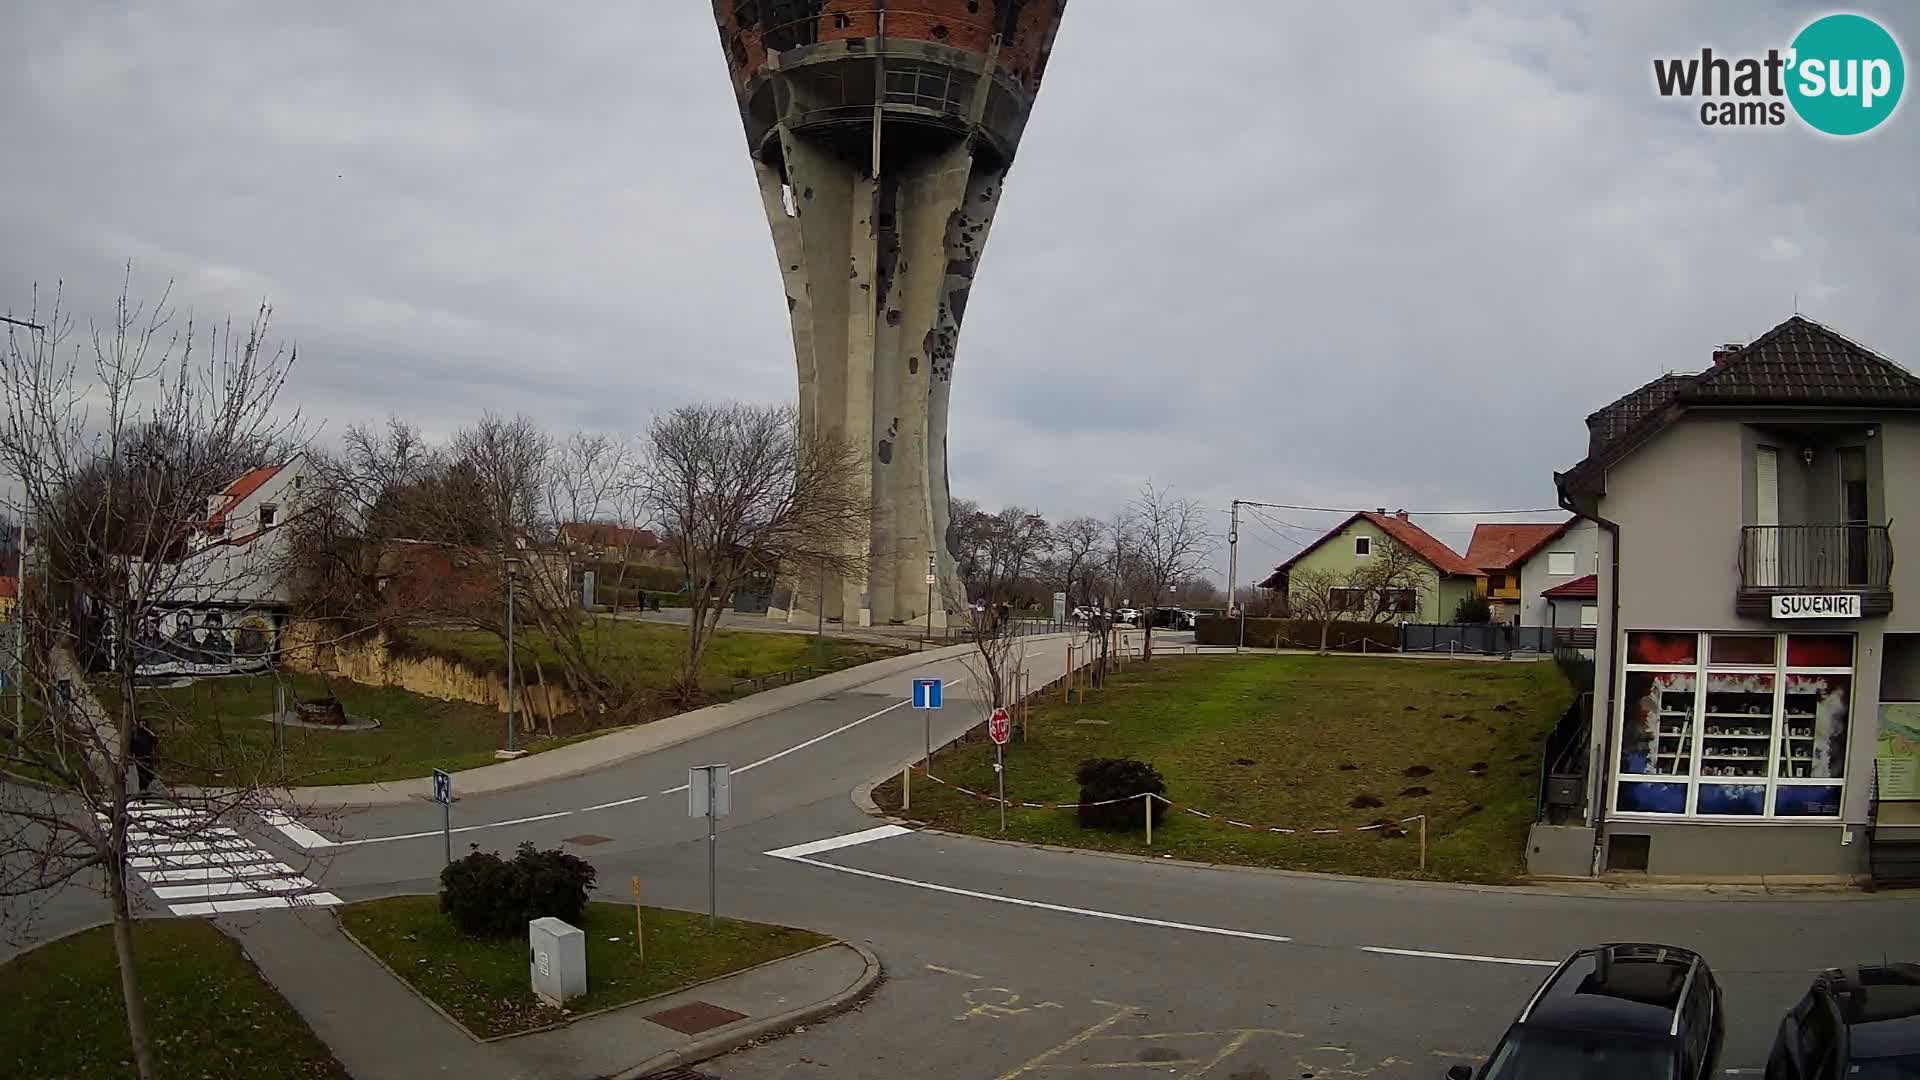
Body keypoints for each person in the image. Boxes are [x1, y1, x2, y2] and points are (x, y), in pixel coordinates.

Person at [130, 717, 158, 797]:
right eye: (141, 723)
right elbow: (131, 744)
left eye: (144, 723)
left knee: (149, 773)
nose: (143, 725)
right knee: (141, 773)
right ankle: (142, 790)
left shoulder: (148, 733)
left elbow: (155, 739)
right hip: (139, 756)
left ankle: (147, 788)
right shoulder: (135, 732)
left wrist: (146, 729)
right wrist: (132, 755)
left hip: (148, 756)